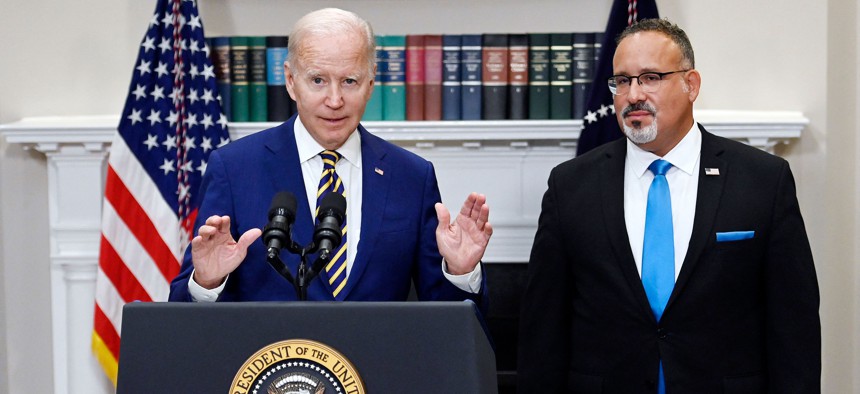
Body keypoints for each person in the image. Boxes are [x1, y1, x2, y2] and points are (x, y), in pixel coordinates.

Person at [518, 18, 820, 393]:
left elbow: (795, 327)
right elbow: (543, 329)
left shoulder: (762, 180)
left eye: (650, 78)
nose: (633, 95)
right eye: (623, 81)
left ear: (690, 84)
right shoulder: (570, 185)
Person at [168, 8, 492, 306]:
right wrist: (208, 281)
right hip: (273, 366)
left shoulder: (412, 176)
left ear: (370, 82)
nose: (334, 100)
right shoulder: (234, 168)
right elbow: (182, 317)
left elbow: (448, 326)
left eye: (349, 81)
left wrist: (460, 271)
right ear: (291, 81)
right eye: (318, 80)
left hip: (376, 367)